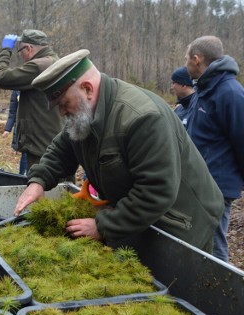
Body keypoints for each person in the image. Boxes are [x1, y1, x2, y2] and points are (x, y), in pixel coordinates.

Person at [14, 49, 223, 254]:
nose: (61, 112)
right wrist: (38, 181)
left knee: (175, 286)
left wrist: (102, 226)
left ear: (87, 89)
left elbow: (156, 191)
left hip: (182, 224)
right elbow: (62, 149)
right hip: (139, 219)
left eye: (64, 103)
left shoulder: (142, 118)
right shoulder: (85, 114)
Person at [184, 35, 244, 262]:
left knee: (214, 243)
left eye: (186, 59)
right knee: (198, 241)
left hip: (216, 186)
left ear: (197, 59)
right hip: (197, 183)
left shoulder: (230, 92)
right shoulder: (203, 88)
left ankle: (221, 292)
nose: (185, 64)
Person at [0, 29, 62, 168]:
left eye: (20, 51)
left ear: (28, 48)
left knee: (44, 187)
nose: (22, 56)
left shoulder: (39, 66)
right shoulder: (54, 61)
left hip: (42, 147)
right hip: (52, 143)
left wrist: (5, 50)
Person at [2, 90, 27, 174]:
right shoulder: (16, 91)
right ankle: (22, 178)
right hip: (23, 128)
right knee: (25, 152)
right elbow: (12, 112)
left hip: (38, 127)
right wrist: (7, 129)